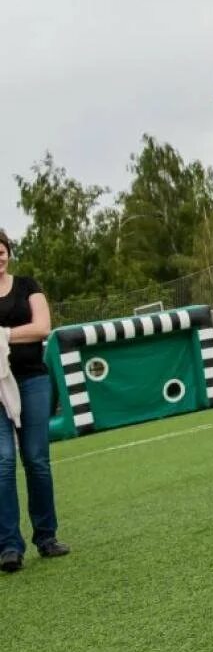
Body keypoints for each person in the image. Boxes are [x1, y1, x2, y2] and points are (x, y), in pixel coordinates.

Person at [0, 230, 69, 574]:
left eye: (1, 250)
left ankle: (47, 537)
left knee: (36, 459)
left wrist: (3, 335)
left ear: (8, 253)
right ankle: (9, 546)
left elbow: (42, 327)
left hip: (32, 380)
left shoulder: (28, 286)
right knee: (3, 462)